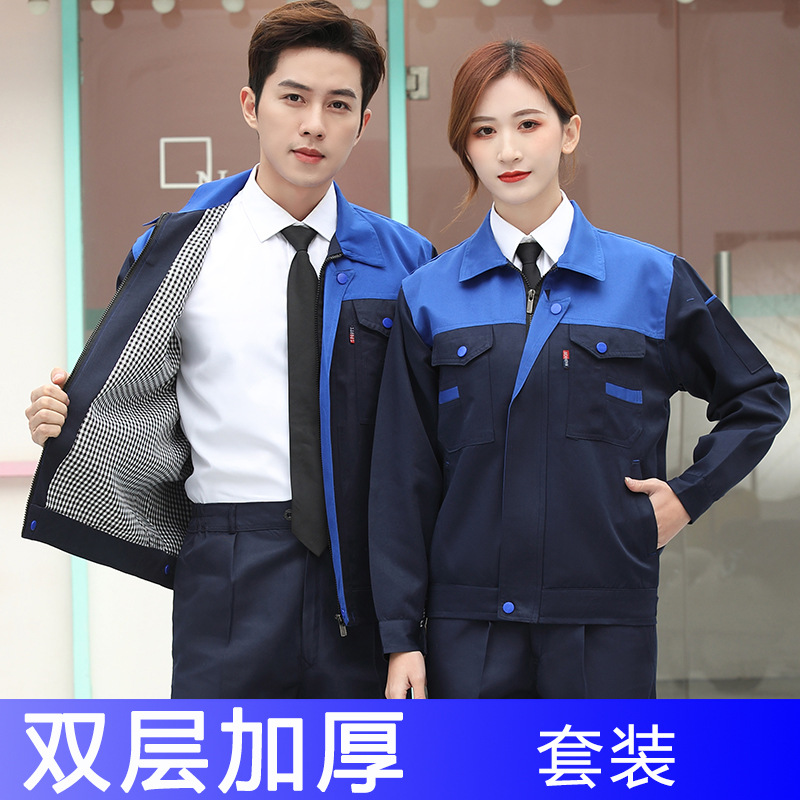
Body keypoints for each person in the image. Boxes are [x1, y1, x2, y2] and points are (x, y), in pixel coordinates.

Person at [23, 0, 433, 699]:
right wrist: (62, 417)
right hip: (229, 564)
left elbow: (428, 438)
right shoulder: (177, 250)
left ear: (363, 123)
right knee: (227, 756)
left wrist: (409, 622)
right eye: (293, 98)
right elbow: (130, 391)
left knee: (365, 757)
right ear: (251, 106)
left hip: (365, 570)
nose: (314, 123)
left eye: (338, 105)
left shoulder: (407, 261)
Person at [368, 40, 790, 699]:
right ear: (465, 149)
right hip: (469, 629)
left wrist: (688, 497)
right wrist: (401, 635)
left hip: (605, 620)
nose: (508, 150)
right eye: (484, 131)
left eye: (528, 124)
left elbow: (759, 396)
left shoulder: (651, 280)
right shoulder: (428, 296)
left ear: (569, 133)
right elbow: (401, 477)